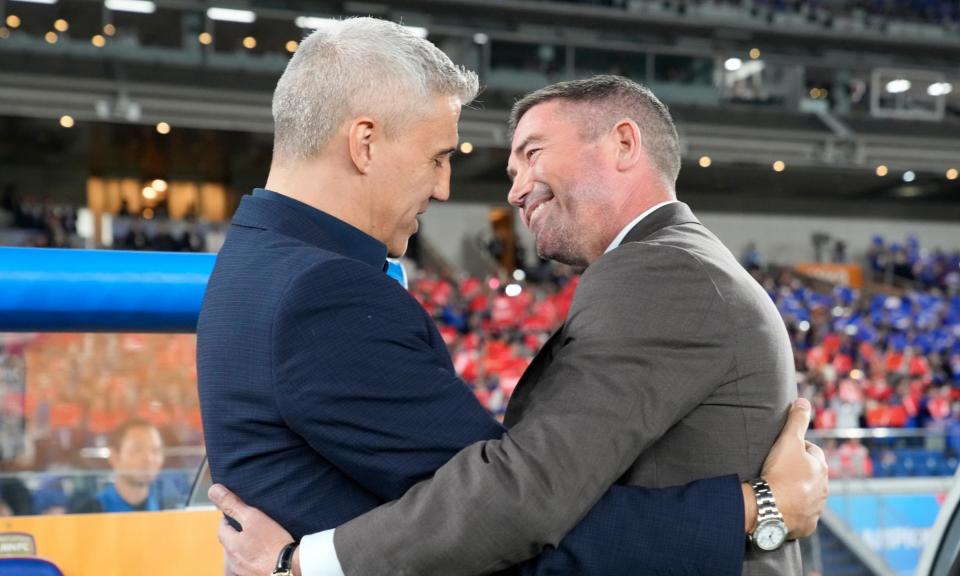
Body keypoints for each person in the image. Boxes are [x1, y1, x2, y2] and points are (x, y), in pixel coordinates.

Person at [198, 20, 827, 576]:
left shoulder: (260, 263)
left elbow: (508, 508)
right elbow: (507, 513)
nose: (449, 187)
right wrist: (757, 509)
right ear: (364, 142)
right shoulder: (324, 290)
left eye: (531, 154)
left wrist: (302, 564)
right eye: (440, 158)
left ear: (624, 144)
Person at [70, 419, 166, 513]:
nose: (149, 458)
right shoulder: (90, 513)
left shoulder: (167, 509)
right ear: (114, 457)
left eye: (155, 450)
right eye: (137, 450)